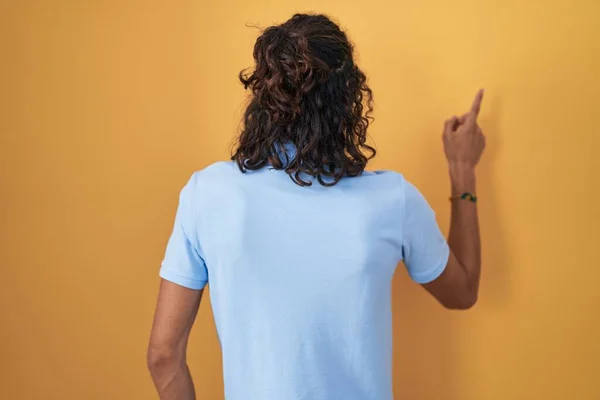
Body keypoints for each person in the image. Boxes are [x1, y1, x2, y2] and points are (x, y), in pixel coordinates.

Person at [147, 13, 485, 400]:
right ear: (349, 98)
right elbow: (462, 293)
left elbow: (163, 355)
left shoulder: (207, 193)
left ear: (262, 93)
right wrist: (462, 169)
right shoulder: (392, 199)